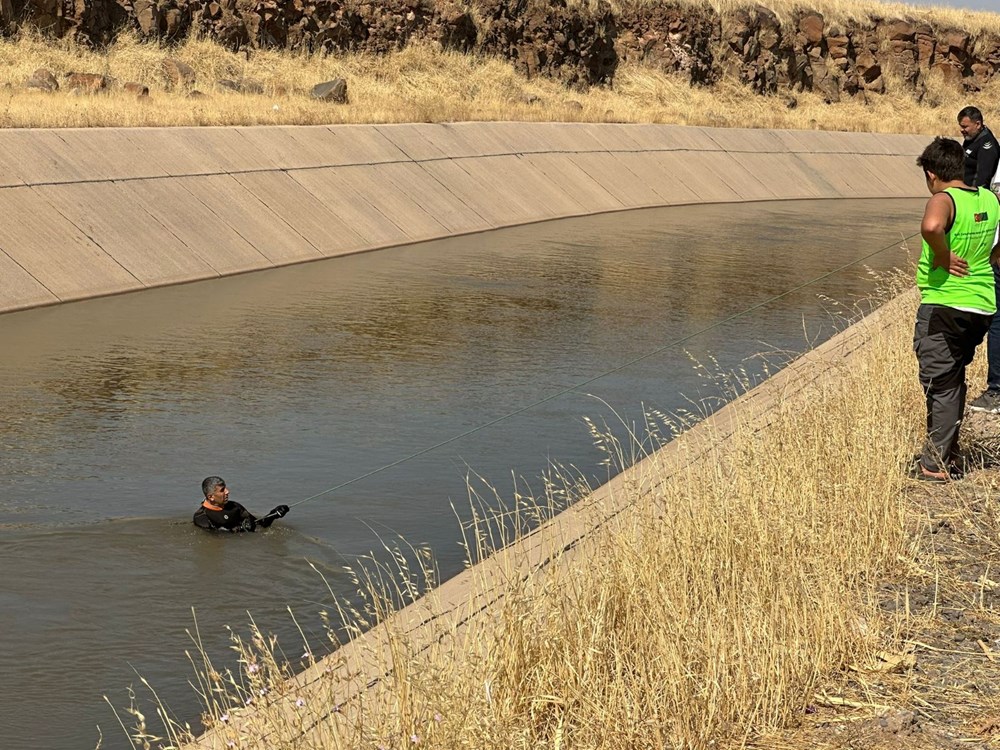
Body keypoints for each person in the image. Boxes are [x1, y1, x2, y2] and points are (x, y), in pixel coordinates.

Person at [913, 136, 1000, 481]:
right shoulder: (990, 200)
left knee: (942, 384)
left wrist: (943, 254)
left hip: (945, 304)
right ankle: (947, 450)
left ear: (933, 174)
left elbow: (932, 226)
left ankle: (935, 465)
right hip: (981, 305)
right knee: (952, 377)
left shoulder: (943, 199)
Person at [959, 107, 1000, 413]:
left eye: (965, 126)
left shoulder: (988, 146)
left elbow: (983, 184)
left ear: (978, 124)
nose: (962, 130)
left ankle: (996, 389)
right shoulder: (973, 142)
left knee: (996, 318)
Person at [193, 476, 290, 532]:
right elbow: (215, 537)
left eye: (225, 488)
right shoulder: (201, 517)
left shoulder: (235, 507)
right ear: (211, 497)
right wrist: (241, 529)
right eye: (222, 490)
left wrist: (273, 514)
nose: (227, 491)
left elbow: (260, 524)